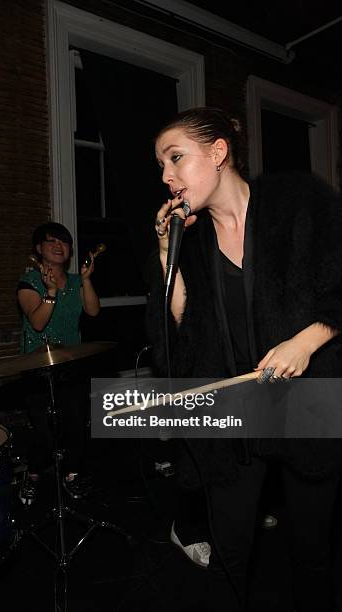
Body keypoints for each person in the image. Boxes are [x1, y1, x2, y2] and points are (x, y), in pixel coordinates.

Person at [147, 107, 342, 611]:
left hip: (305, 406)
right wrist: (168, 255)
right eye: (161, 166)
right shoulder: (190, 240)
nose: (166, 177)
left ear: (218, 153)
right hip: (235, 414)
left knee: (311, 547)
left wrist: (306, 342)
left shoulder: (301, 203)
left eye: (175, 159)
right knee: (230, 548)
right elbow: (183, 335)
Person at [17, 221, 100, 504]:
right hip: (39, 367)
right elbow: (38, 323)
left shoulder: (77, 280)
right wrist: (50, 292)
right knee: (44, 430)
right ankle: (33, 473)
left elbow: (92, 311)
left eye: (63, 242)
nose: (58, 246)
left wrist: (87, 279)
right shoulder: (30, 281)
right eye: (51, 241)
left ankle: (72, 474)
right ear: (39, 249)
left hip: (71, 364)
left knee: (77, 423)